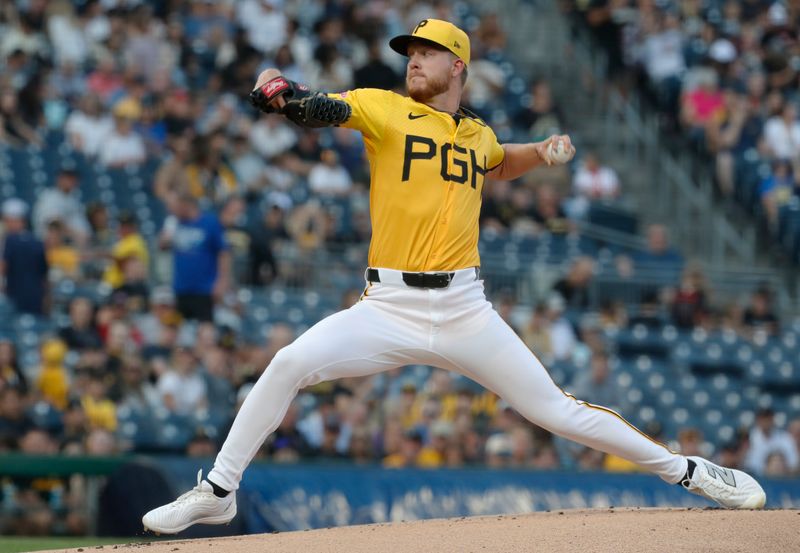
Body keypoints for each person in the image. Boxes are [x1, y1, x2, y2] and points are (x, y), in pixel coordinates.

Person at [143, 19, 765, 535]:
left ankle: (687, 471)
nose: (413, 61)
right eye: (409, 52)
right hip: (386, 305)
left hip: (466, 309)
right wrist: (279, 91)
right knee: (286, 363)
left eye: (426, 52)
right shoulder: (384, 109)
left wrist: (541, 151)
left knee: (558, 411)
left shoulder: (478, 133)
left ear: (458, 67)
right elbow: (319, 108)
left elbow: (499, 161)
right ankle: (219, 490)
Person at [0, 198, 49, 315]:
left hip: (15, 295)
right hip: (36, 296)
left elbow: (3, 267)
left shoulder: (10, 240)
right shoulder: (37, 241)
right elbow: (44, 274)